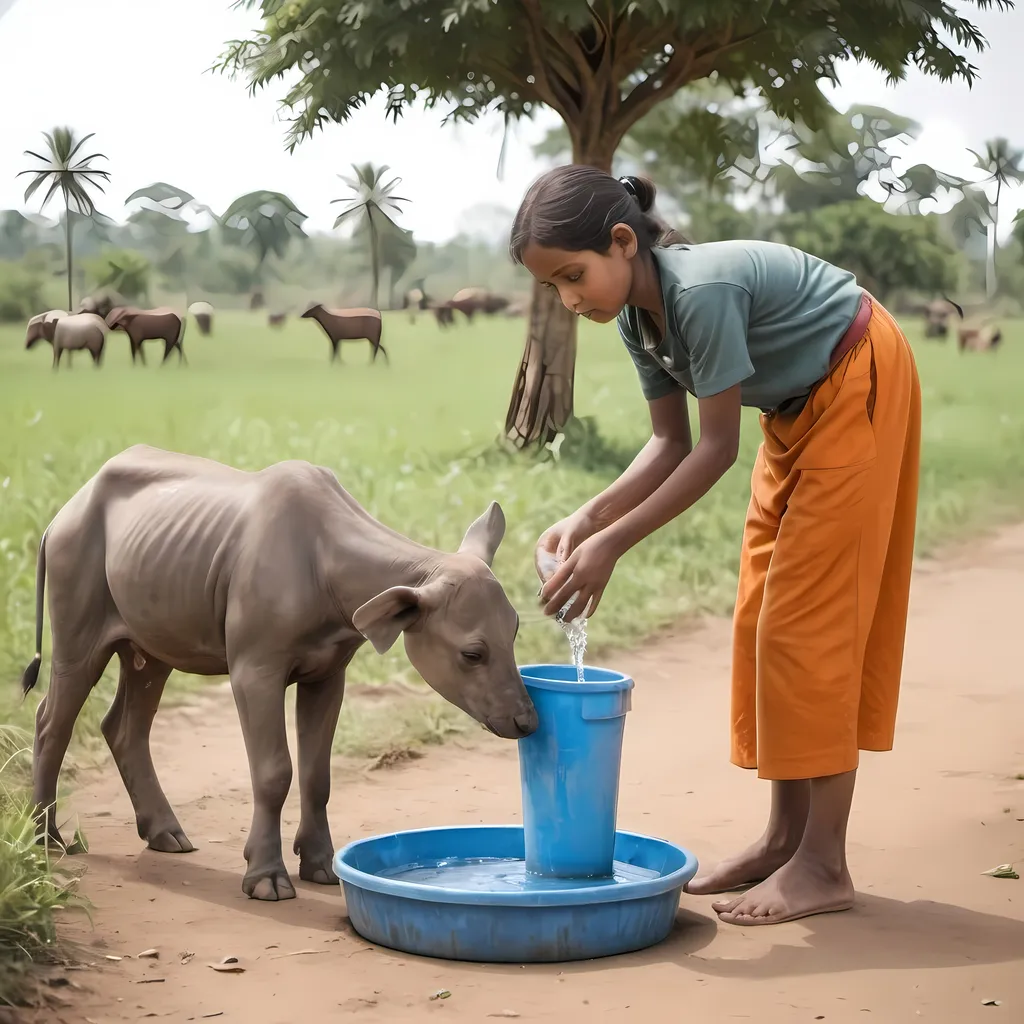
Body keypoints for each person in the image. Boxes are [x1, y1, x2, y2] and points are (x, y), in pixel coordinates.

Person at [510, 164, 921, 927]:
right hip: (795, 410)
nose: (569, 298)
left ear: (623, 241)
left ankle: (825, 864)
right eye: (554, 288)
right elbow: (667, 442)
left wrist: (613, 547)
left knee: (808, 625)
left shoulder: (698, 294)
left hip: (856, 374)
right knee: (760, 617)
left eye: (573, 275)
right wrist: (586, 520)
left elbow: (714, 450)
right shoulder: (639, 319)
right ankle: (783, 838)